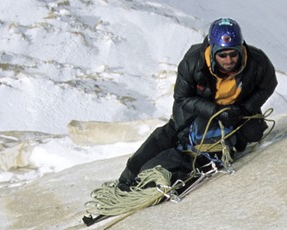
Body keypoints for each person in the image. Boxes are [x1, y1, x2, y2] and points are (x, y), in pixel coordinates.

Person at [117, 17, 277, 189]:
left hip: (235, 112)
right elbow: (182, 98)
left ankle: (176, 168)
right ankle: (129, 177)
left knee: (251, 131)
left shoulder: (257, 62)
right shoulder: (193, 63)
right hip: (195, 111)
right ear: (213, 50)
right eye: (222, 55)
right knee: (171, 136)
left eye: (233, 54)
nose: (228, 60)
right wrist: (215, 111)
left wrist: (245, 108)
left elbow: (268, 85)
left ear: (241, 49)